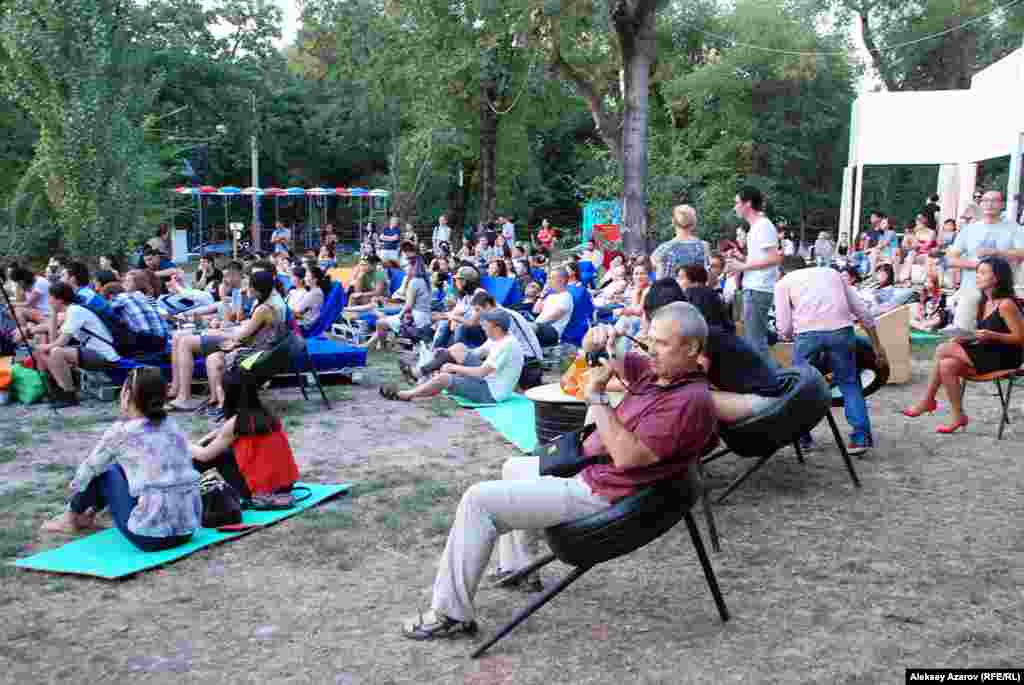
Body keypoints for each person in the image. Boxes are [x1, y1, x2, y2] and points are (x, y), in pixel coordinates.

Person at [400, 301, 716, 640]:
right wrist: (594, 345)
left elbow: (626, 456)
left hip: (603, 493)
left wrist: (596, 397)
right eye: (649, 339)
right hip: (595, 473)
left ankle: (450, 614)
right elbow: (617, 361)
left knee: (478, 501)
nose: (651, 350)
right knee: (514, 467)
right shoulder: (660, 373)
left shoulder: (688, 401)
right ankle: (519, 568)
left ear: (692, 348)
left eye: (662, 344)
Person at [41, 367, 201, 550]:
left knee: (106, 471)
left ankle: (69, 518)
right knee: (118, 468)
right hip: (186, 530)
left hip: (149, 537)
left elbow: (88, 471)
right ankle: (88, 514)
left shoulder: (122, 432)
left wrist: (74, 492)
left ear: (126, 395)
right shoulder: (172, 426)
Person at [774, 256, 887, 454]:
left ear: (782, 271)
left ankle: (803, 438)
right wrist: (877, 346)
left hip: (807, 336)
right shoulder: (832, 273)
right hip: (841, 332)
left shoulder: (783, 283)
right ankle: (861, 438)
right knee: (850, 383)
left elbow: (784, 327)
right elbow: (862, 311)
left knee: (800, 387)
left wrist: (789, 334)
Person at [903, 257, 1023, 433]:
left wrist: (992, 335)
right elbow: (983, 335)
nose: (977, 276)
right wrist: (967, 338)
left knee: (943, 349)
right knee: (947, 364)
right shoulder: (983, 302)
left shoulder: (1006, 305)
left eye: (983, 273)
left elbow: (1020, 338)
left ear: (996, 277)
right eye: (977, 272)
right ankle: (958, 416)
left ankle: (928, 400)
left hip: (1006, 357)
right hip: (987, 351)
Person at [199, 270, 290, 421]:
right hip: (262, 351)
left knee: (215, 358)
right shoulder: (267, 304)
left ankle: (222, 405)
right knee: (213, 358)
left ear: (256, 290)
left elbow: (242, 334)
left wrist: (214, 333)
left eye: (249, 286)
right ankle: (218, 402)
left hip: (260, 356)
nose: (246, 289)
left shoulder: (263, 309)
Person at [382, 308, 524, 404]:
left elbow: (481, 372)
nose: (483, 327)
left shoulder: (506, 345)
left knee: (445, 378)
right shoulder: (500, 337)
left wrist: (453, 366)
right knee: (459, 348)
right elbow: (475, 353)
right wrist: (447, 354)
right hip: (489, 380)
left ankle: (407, 395)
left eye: (486, 325)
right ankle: (418, 373)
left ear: (497, 328)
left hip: (491, 393)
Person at [944, 191, 1024, 333]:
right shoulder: (969, 229)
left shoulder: (1014, 229)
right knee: (962, 333)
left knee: (996, 337)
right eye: (985, 200)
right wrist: (978, 265)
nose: (989, 204)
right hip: (971, 288)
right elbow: (950, 259)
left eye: (994, 200)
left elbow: (1022, 253)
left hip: (1002, 291)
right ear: (980, 204)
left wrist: (997, 253)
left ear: (1002, 204)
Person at [35, 282, 121, 407]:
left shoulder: (75, 311)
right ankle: (58, 390)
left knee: (56, 352)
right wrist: (53, 314)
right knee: (49, 351)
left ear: (59, 299)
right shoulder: (72, 311)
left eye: (50, 297)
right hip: (92, 351)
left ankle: (69, 395)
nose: (48, 300)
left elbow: (60, 343)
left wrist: (43, 346)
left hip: (105, 355)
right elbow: (55, 339)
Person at [727, 186, 782, 358]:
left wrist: (741, 266)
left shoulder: (763, 226)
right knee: (755, 340)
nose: (734, 207)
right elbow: (761, 260)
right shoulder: (757, 227)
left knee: (755, 343)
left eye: (737, 203)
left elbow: (774, 258)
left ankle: (772, 381)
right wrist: (741, 259)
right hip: (755, 288)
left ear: (747, 204)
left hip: (758, 289)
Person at [366, 256, 432, 350]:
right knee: (384, 318)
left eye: (407, 266)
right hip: (425, 318)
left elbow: (408, 306)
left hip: (415, 321)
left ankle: (383, 348)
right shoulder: (426, 281)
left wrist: (399, 315)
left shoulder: (414, 282)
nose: (405, 268)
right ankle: (370, 345)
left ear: (412, 267)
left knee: (380, 323)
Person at [432, 266, 486, 349]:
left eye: (457, 280)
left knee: (460, 326)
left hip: (485, 334)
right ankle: (436, 351)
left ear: (464, 281)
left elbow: (472, 322)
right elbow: (455, 313)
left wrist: (453, 318)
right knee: (444, 323)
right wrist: (440, 315)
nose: (455, 283)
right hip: (471, 329)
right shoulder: (466, 297)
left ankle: (459, 354)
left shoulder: (481, 294)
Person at [651, 204, 709, 280]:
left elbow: (659, 279)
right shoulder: (704, 246)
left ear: (673, 222)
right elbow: (707, 276)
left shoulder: (663, 249)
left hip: (671, 291)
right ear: (694, 223)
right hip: (698, 291)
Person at [532, 267, 574, 347]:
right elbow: (535, 311)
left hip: (552, 331)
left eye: (551, 278)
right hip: (539, 326)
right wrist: (542, 295)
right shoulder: (550, 296)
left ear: (561, 280)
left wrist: (533, 325)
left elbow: (554, 316)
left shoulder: (566, 297)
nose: (548, 281)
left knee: (526, 328)